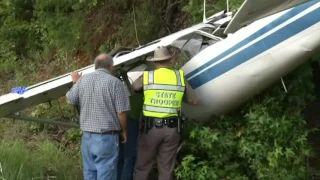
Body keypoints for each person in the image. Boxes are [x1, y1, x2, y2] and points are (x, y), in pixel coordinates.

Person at [132, 46, 199, 180]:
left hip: (151, 130)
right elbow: (194, 101)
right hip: (172, 130)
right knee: (166, 168)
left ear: (155, 62)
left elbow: (134, 88)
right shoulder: (179, 77)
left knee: (142, 167)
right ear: (170, 60)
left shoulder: (147, 76)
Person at [66, 54, 130, 180]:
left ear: (95, 66)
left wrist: (75, 82)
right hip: (106, 138)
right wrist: (124, 131)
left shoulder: (82, 80)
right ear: (110, 67)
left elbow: (70, 98)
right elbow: (121, 112)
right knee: (106, 174)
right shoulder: (115, 83)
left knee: (90, 173)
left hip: (87, 138)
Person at [117, 92, 143, 180]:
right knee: (130, 157)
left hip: (120, 119)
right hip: (130, 121)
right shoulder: (148, 98)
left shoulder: (134, 97)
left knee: (120, 156)